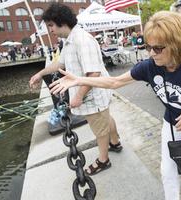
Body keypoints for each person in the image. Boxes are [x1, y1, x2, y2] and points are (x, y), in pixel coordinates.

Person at [49, 11, 181, 200]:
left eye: (158, 48)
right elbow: (115, 82)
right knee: (167, 171)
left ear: (176, 44)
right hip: (172, 125)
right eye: (148, 47)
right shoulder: (150, 66)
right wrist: (77, 80)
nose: (151, 53)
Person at [29, 3, 122, 176]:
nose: (50, 30)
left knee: (100, 130)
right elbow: (60, 64)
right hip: (96, 95)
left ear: (62, 22)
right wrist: (40, 73)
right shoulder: (70, 40)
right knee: (106, 118)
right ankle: (115, 143)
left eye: (51, 25)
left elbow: (93, 74)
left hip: (93, 95)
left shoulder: (81, 40)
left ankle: (104, 160)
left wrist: (78, 96)